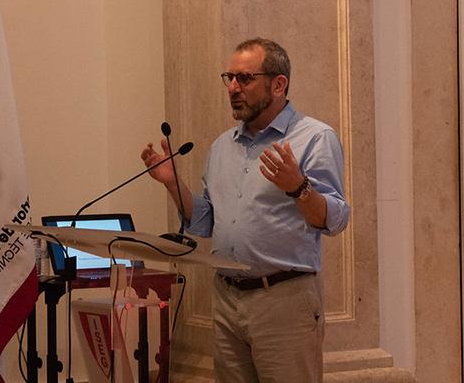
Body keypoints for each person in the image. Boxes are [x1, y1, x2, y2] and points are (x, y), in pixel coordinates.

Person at [141, 37, 349, 383]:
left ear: (278, 84)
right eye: (229, 78)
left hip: (283, 299)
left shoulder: (314, 138)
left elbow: (334, 220)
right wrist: (172, 183)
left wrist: (298, 186)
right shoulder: (223, 146)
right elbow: (205, 222)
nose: (233, 88)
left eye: (245, 79)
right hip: (227, 296)